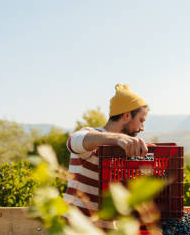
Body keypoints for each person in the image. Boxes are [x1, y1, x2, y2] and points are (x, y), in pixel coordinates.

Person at [63, 83, 149, 216]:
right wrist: (116, 138)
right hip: (76, 230)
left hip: (106, 233)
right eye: (141, 120)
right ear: (126, 116)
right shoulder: (93, 136)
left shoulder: (126, 149)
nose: (142, 128)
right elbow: (73, 141)